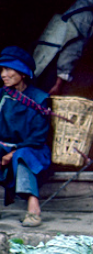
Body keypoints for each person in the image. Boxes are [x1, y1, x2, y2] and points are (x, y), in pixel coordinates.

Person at [0, 46, 52, 227]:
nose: (3, 74)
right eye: (2, 70)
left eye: (8, 69)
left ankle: (33, 209)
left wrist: (12, 153)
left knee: (23, 155)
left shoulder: (39, 98)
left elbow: (38, 136)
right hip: (4, 147)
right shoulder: (2, 96)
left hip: (32, 149)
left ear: (22, 72)